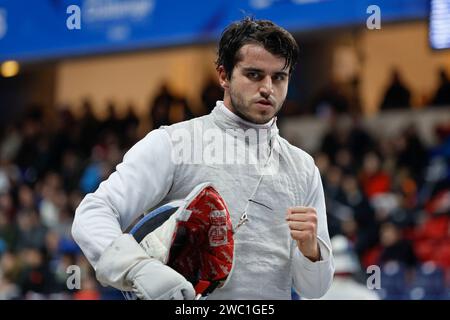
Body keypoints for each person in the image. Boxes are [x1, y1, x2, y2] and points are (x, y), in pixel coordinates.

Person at [72, 17, 335, 300]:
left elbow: (315, 289)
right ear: (224, 75)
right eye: (254, 75)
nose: (268, 88)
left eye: (279, 77)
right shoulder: (174, 143)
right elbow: (93, 213)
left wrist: (311, 250)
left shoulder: (302, 168)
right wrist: (137, 268)